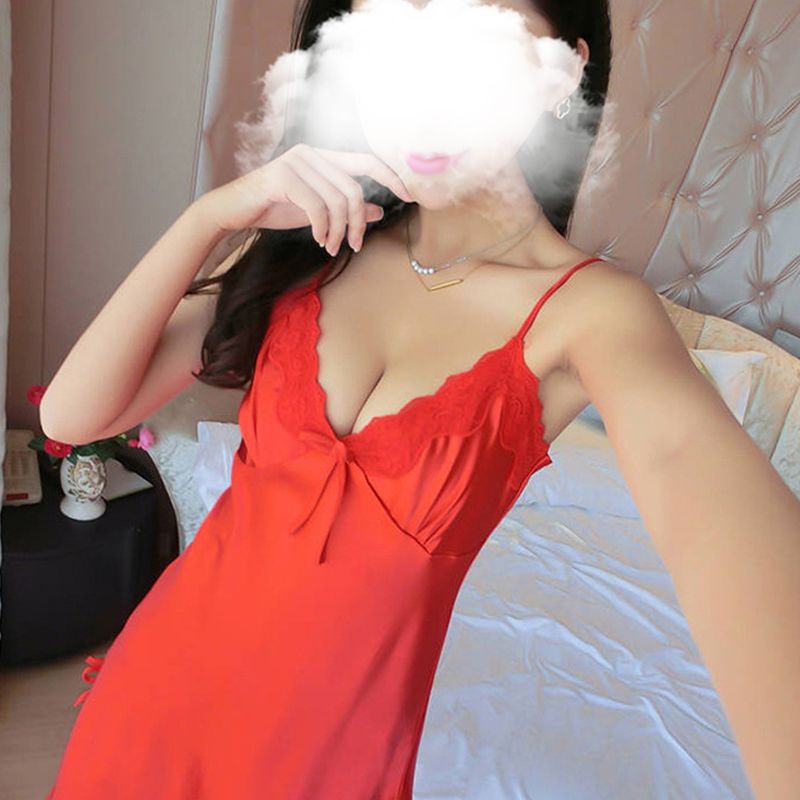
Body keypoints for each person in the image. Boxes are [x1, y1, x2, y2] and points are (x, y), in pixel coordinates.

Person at [40, 1, 800, 798]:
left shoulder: (591, 315)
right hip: (154, 697)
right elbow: (72, 415)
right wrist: (212, 216)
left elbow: (708, 497)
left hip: (327, 765)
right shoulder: (316, 249)